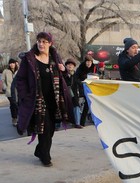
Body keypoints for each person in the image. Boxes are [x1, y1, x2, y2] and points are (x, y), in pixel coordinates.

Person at [16, 32, 73, 167]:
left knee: (51, 128)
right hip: (39, 101)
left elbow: (62, 76)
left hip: (55, 100)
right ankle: (45, 157)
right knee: (45, 128)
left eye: (44, 42)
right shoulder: (30, 59)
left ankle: (39, 150)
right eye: (39, 41)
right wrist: (25, 95)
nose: (41, 44)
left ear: (50, 43)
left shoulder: (54, 57)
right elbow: (20, 79)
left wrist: (63, 69)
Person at [75, 55, 96, 127]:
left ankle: (87, 121)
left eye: (90, 62)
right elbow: (76, 78)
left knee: (90, 105)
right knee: (86, 106)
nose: (88, 63)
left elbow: (97, 76)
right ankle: (81, 122)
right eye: (87, 62)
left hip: (92, 88)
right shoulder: (80, 68)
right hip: (83, 88)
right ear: (85, 62)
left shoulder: (94, 68)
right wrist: (81, 83)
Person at [64, 58, 83, 129]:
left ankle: (77, 123)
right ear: (66, 66)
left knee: (77, 107)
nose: (70, 66)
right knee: (64, 107)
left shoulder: (75, 75)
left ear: (74, 66)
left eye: (71, 65)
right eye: (68, 64)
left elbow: (79, 83)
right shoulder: (63, 74)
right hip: (65, 93)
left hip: (74, 94)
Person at [2, 58, 19, 126]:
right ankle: (15, 119)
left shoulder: (18, 70)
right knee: (14, 104)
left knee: (13, 106)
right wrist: (5, 88)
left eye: (13, 63)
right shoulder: (5, 71)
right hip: (9, 91)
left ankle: (15, 118)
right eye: (10, 63)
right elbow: (3, 80)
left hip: (18, 91)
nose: (12, 64)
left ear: (15, 64)